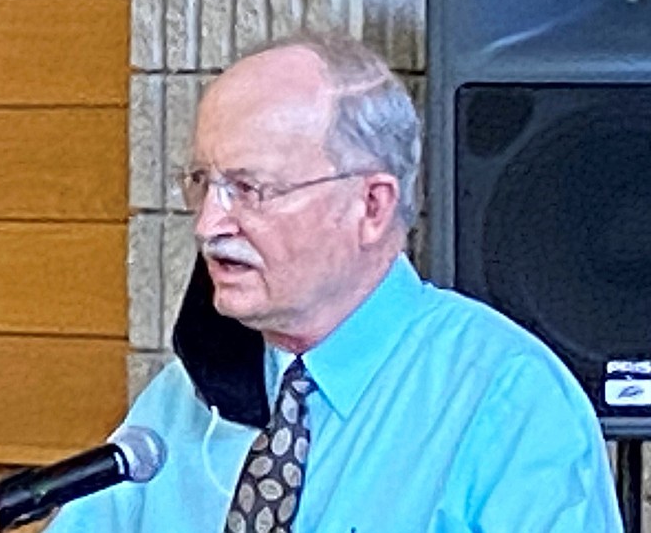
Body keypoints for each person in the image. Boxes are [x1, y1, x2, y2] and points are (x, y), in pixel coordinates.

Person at [45, 33, 622, 532]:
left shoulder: (508, 399)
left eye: (250, 190)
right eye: (202, 183)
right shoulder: (183, 397)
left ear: (371, 206)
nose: (209, 224)